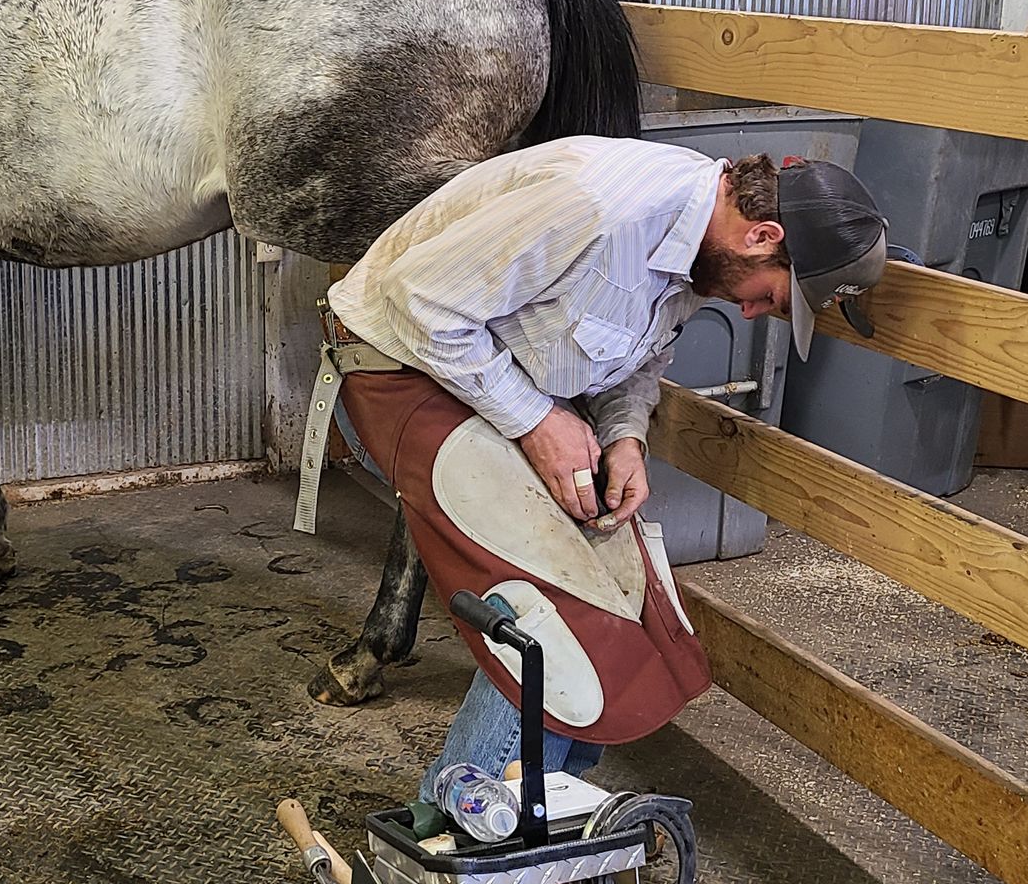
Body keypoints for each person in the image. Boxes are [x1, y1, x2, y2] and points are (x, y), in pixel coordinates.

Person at [327, 139, 888, 794]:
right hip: (398, 360)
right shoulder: (596, 210)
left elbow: (638, 355)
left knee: (632, 597)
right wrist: (540, 423)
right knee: (553, 609)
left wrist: (624, 436)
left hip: (495, 371)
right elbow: (418, 300)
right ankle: (465, 829)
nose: (752, 312)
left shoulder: (700, 248)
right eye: (773, 296)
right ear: (763, 235)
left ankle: (552, 815)